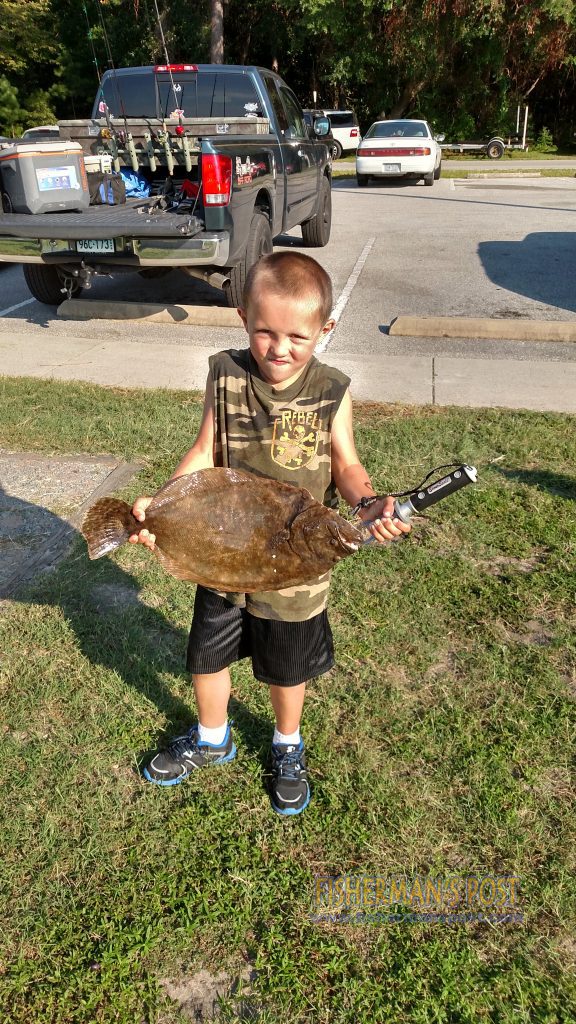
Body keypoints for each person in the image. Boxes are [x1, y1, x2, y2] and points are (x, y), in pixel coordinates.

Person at [129, 251, 410, 815]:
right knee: (207, 657)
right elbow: (205, 449)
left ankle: (287, 744)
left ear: (324, 330)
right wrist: (156, 505)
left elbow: (346, 465)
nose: (278, 349)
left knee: (287, 665)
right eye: (264, 332)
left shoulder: (331, 390)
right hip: (224, 555)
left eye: (296, 338)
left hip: (295, 568)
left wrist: (368, 500)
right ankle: (213, 737)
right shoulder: (227, 376)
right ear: (242, 317)